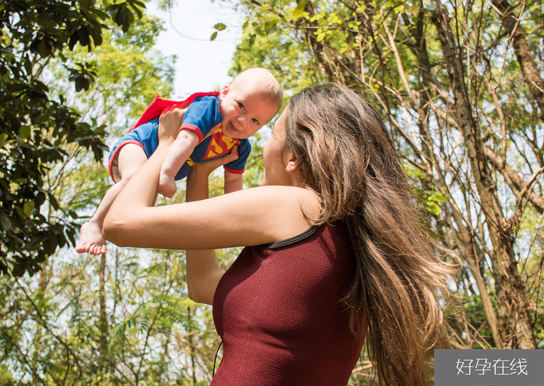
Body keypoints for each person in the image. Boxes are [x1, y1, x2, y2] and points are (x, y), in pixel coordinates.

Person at [102, 83, 452, 385]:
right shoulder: (348, 242)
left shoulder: (294, 205)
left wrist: (166, 145)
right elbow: (204, 284)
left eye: (271, 134)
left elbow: (120, 223)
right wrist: (199, 173)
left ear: (293, 159)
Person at [76, 67, 283, 256]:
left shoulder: (240, 146)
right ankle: (95, 223)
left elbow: (234, 184)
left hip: (159, 166)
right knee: (133, 178)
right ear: (225, 93)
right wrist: (167, 174)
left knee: (141, 207)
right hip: (141, 145)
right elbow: (185, 139)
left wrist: (241, 219)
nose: (242, 121)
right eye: (241, 106)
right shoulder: (208, 108)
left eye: (255, 121)